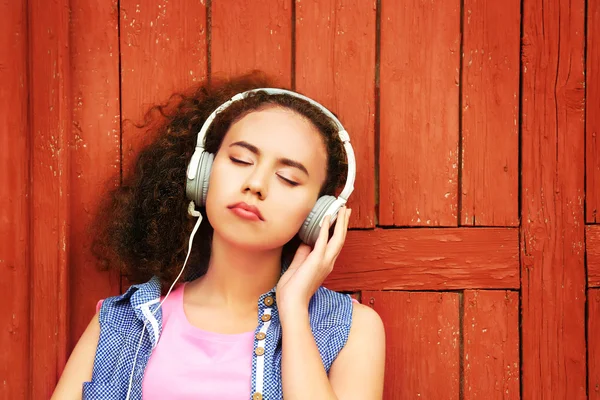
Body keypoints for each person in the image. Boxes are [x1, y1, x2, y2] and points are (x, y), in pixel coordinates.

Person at [52, 71, 385, 399]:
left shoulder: (351, 329)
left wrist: (294, 310)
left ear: (319, 213)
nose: (255, 184)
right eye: (240, 159)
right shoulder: (121, 323)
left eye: (287, 178)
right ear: (202, 173)